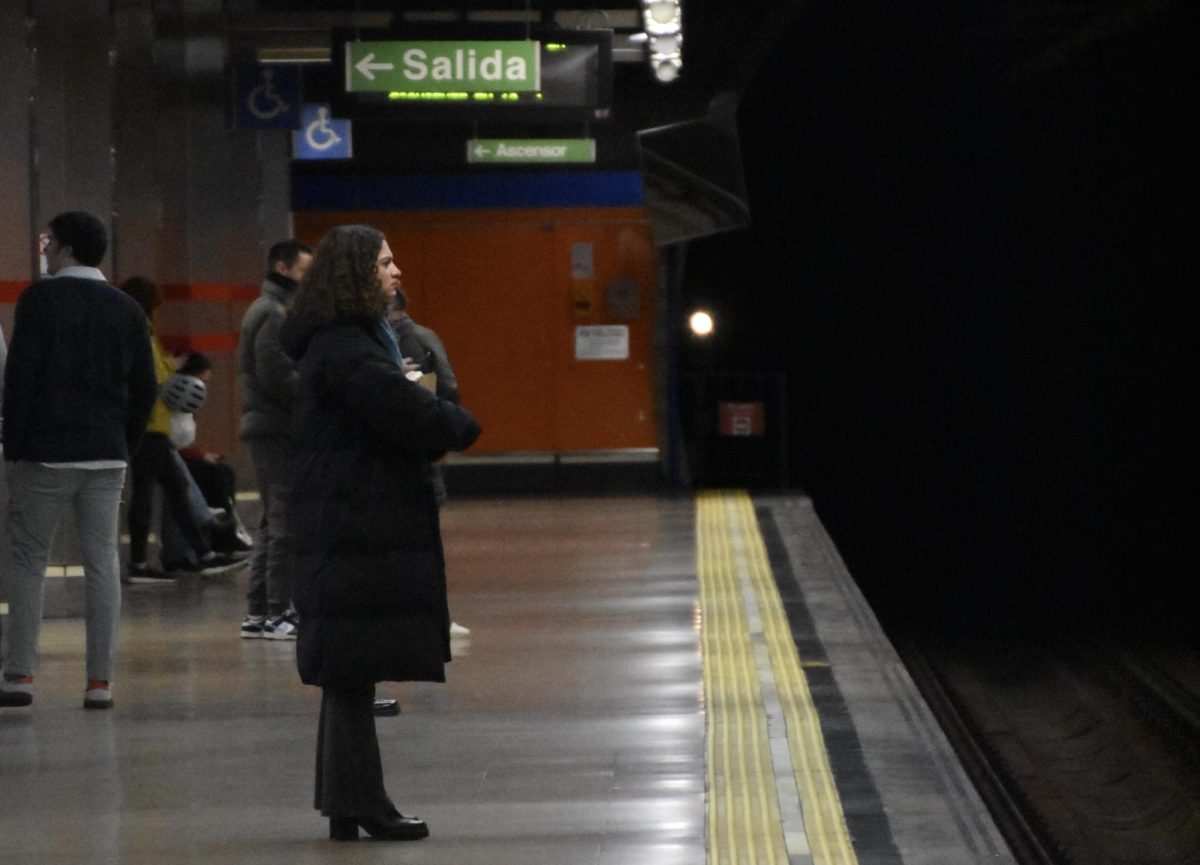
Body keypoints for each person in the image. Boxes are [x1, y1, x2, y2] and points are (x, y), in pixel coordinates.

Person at [280, 225, 481, 841]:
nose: (397, 272)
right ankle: (365, 804)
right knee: (350, 668)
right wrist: (456, 423)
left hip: (345, 518)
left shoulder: (346, 339)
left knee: (348, 672)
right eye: (386, 262)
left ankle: (346, 802)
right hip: (351, 521)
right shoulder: (347, 346)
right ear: (356, 273)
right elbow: (404, 409)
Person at [0, 211, 158, 710]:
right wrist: (125, 442)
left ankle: (20, 674)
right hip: (106, 454)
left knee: (28, 561)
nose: (44, 250)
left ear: (65, 248)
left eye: (49, 242)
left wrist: (14, 444)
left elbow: (21, 378)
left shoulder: (40, 299)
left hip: (45, 453)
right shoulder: (127, 308)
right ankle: (99, 682)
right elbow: (145, 387)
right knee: (101, 563)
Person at [120, 276, 242, 582]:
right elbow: (153, 375)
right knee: (158, 494)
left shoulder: (138, 329)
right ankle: (152, 562)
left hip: (152, 425)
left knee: (174, 490)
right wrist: (172, 369)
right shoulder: (141, 330)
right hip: (150, 425)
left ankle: (202, 554)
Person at [238, 239, 312, 640]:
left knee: (273, 520)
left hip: (267, 425)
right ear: (283, 269)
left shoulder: (270, 309)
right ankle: (279, 611)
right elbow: (278, 373)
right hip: (275, 427)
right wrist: (315, 394)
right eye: (305, 271)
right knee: (285, 519)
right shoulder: (273, 312)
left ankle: (259, 612)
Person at [389, 288, 469, 639]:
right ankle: (429, 615)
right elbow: (449, 390)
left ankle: (422, 614)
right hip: (420, 452)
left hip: (407, 452)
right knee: (423, 540)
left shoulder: (411, 340)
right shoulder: (419, 338)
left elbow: (446, 390)